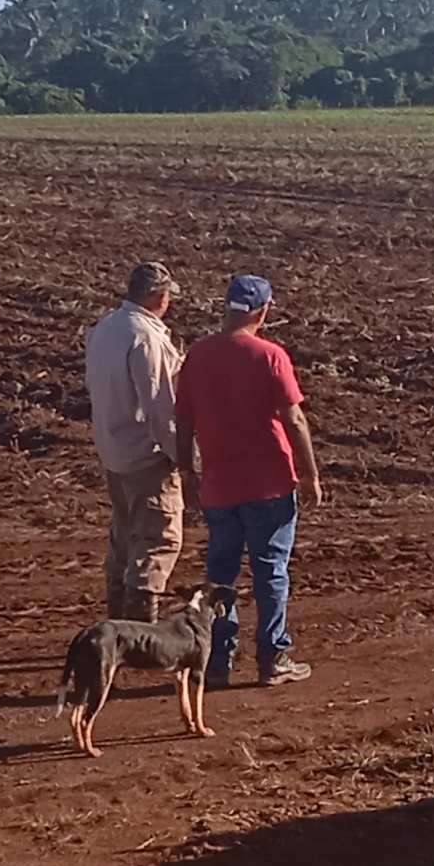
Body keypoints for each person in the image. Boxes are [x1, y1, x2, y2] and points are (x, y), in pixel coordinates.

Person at [172, 272, 324, 687]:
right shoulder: (270, 355)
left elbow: (183, 418)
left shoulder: (198, 356)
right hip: (269, 482)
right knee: (270, 571)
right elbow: (293, 418)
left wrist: (187, 470)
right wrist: (309, 473)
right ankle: (271, 657)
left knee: (219, 574)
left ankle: (216, 659)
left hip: (219, 485)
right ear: (264, 310)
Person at [83, 261, 185, 618]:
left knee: (124, 539)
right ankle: (140, 628)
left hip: (113, 452)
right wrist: (184, 460)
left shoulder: (102, 330)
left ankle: (117, 621)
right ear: (160, 297)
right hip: (146, 457)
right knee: (158, 540)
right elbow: (161, 410)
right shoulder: (146, 338)